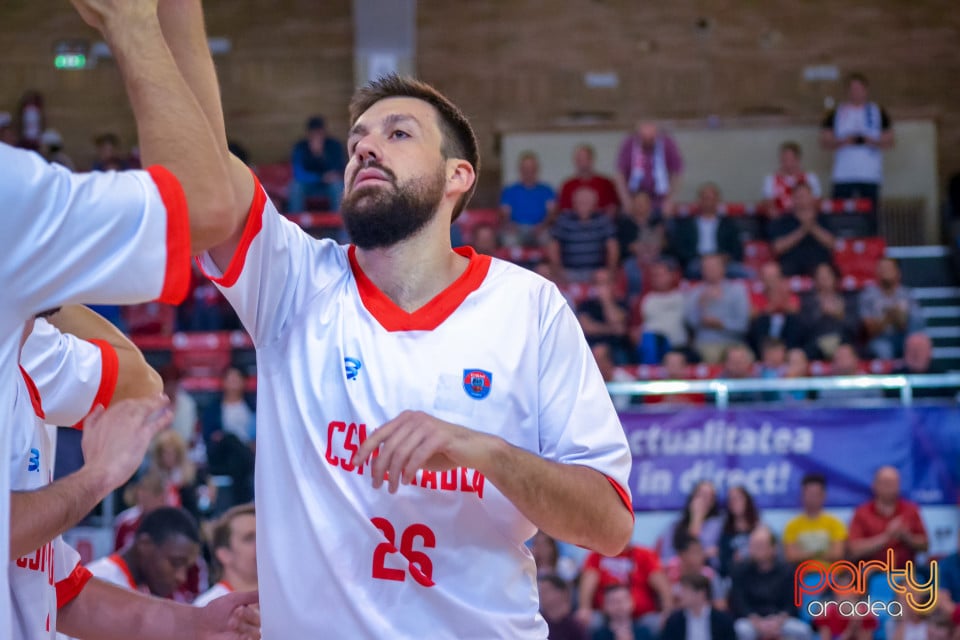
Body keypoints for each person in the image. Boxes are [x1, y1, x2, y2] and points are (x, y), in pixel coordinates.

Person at [180, 8, 631, 629]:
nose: (365, 146)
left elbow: (607, 524)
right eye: (356, 141)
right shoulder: (292, 282)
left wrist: (484, 451)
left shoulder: (529, 307)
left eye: (398, 134)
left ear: (457, 176)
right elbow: (198, 163)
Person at [0, 0, 253, 631]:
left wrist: (193, 625)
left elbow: (139, 385)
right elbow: (204, 205)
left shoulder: (34, 351)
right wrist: (97, 479)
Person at [10, 314, 171, 640]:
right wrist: (97, 476)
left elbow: (59, 590)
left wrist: (197, 625)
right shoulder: (29, 343)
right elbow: (141, 389)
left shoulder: (27, 343)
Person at [820, 73, 894, 223]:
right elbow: (824, 141)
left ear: (866, 90)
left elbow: (890, 140)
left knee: (870, 217)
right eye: (852, 89)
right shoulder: (835, 113)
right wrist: (844, 141)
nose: (856, 92)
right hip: (843, 174)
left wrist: (871, 141)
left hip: (870, 174)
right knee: (839, 216)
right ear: (847, 91)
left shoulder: (878, 112)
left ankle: (870, 245)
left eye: (859, 89)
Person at [85, 507, 201, 599]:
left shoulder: (139, 588)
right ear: (145, 545)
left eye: (187, 568)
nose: (181, 577)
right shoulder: (101, 583)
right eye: (175, 563)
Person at [729, 526, 812, 640]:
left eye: (761, 545)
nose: (755, 549)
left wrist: (777, 621)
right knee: (741, 630)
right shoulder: (740, 571)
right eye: (753, 545)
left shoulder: (787, 571)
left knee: (803, 631)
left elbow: (792, 604)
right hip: (751, 620)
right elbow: (739, 603)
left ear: (773, 548)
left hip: (780, 620)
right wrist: (758, 623)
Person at [575, 544, 672, 633]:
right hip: (607, 616)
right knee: (589, 622)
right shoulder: (596, 556)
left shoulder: (644, 554)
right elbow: (588, 582)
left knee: (661, 623)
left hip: (641, 618)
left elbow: (662, 585)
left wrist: (668, 610)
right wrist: (584, 608)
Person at [848, 466, 928, 566]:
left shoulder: (911, 510)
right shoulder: (862, 512)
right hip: (872, 571)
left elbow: (925, 545)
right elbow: (853, 550)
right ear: (874, 485)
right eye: (885, 482)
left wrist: (907, 537)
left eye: (893, 483)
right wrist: (886, 537)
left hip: (906, 572)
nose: (890, 487)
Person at [668, 183, 745, 279]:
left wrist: (723, 258)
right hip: (697, 262)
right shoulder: (686, 225)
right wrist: (703, 259)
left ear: (718, 200)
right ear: (699, 200)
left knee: (746, 273)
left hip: (723, 264)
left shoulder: (729, 225)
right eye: (705, 198)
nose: (708, 202)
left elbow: (737, 250)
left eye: (712, 199)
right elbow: (680, 250)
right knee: (692, 269)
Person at [685, 254, 751, 364]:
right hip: (705, 344)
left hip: (733, 343)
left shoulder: (737, 290)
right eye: (706, 268)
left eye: (713, 267)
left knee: (741, 359)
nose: (710, 271)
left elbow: (743, 324)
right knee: (708, 355)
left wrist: (721, 324)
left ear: (723, 268)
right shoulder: (695, 292)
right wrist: (700, 306)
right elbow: (690, 323)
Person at [550, 186, 620, 281]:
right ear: (574, 203)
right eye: (580, 202)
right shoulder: (564, 220)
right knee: (545, 273)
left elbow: (612, 247)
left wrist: (610, 270)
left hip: (596, 272)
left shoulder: (603, 220)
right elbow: (553, 246)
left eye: (587, 202)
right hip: (568, 271)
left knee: (603, 276)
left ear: (594, 203)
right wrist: (558, 269)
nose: (583, 205)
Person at [859, 258, 924, 360]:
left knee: (917, 338)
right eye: (882, 268)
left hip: (904, 337)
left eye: (888, 268)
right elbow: (870, 330)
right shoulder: (868, 296)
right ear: (877, 272)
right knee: (883, 349)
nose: (885, 271)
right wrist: (889, 317)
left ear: (898, 272)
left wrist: (898, 317)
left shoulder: (907, 294)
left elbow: (914, 326)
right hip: (881, 339)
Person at [194, 504, 257, 607]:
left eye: (261, 536)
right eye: (249, 538)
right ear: (224, 554)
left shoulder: (280, 599)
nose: (260, 544)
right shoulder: (207, 606)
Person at [768, 183, 836, 278]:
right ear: (793, 199)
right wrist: (803, 229)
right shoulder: (782, 220)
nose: (802, 200)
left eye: (805, 196)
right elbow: (777, 248)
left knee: (824, 271)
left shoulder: (823, 218)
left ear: (812, 198)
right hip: (789, 265)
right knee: (771, 270)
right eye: (798, 197)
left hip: (818, 263)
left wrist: (812, 226)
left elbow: (832, 244)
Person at [615, 121, 684, 213]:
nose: (647, 142)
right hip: (635, 198)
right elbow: (620, 174)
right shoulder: (629, 143)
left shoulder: (667, 143)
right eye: (644, 138)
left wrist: (669, 200)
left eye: (651, 139)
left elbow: (677, 173)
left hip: (659, 199)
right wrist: (626, 200)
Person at [631, 259, 687, 365]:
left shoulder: (683, 297)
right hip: (653, 346)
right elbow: (634, 330)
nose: (657, 279)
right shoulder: (644, 299)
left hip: (678, 347)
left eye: (661, 275)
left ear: (672, 275)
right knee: (649, 340)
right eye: (654, 275)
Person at [800, 263, 860, 360]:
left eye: (827, 276)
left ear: (835, 278)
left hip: (842, 341)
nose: (824, 280)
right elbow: (803, 329)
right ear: (815, 281)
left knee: (848, 353)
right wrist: (820, 312)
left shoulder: (847, 300)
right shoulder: (808, 302)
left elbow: (855, 328)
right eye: (820, 277)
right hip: (815, 343)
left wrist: (840, 314)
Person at [783, 473, 847, 564]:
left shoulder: (835, 523)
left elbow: (837, 554)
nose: (812, 498)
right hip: (802, 574)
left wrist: (805, 554)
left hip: (830, 574)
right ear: (802, 496)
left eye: (816, 494)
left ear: (824, 496)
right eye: (809, 494)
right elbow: (791, 556)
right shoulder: (792, 525)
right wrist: (821, 553)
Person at [287, 115, 346, 213]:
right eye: (313, 134)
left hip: (329, 186)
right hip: (308, 185)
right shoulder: (300, 147)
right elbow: (298, 174)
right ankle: (295, 224)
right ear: (308, 134)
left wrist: (321, 155)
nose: (317, 137)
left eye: (319, 133)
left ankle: (339, 225)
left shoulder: (334, 145)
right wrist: (320, 177)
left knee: (338, 186)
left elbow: (338, 169)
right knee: (295, 187)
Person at [500, 151, 557, 246]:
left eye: (531, 168)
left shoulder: (547, 190)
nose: (528, 171)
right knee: (509, 240)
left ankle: (551, 262)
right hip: (517, 229)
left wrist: (542, 226)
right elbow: (504, 214)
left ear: (537, 169)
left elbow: (552, 213)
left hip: (540, 228)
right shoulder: (510, 190)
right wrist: (511, 226)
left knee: (550, 241)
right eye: (525, 168)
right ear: (520, 170)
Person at [659, 481, 724, 562]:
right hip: (677, 570)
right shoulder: (675, 526)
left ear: (713, 503)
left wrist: (697, 518)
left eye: (709, 497)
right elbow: (666, 556)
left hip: (706, 571)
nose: (704, 500)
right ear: (692, 498)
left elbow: (702, 550)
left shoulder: (716, 524)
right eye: (701, 495)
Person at [661, 574, 736, 640]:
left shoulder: (723, 621)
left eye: (685, 590)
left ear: (701, 594)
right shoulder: (674, 621)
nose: (681, 595)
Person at [578, 269, 631, 361]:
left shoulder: (621, 303)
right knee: (596, 351)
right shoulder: (585, 305)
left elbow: (619, 327)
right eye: (598, 283)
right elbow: (587, 328)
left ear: (613, 285)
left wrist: (606, 301)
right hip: (591, 346)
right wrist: (611, 329)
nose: (602, 287)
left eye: (605, 283)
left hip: (616, 347)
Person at [558, 143, 620, 214]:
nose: (582, 162)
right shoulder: (567, 185)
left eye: (585, 158)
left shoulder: (606, 183)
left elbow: (612, 209)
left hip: (601, 223)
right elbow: (564, 211)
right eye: (579, 159)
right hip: (573, 224)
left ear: (592, 159)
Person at [201, 367, 256, 447]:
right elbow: (209, 434)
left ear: (244, 382)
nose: (233, 382)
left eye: (237, 379)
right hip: (225, 451)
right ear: (223, 382)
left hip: (248, 450)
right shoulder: (213, 409)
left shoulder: (253, 407)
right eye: (230, 379)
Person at [762, 141, 822, 213]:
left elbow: (816, 204)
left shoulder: (810, 178)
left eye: (791, 159)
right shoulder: (771, 179)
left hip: (804, 219)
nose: (788, 163)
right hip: (781, 220)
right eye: (784, 159)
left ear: (798, 159)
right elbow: (769, 206)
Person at [718, 486, 762, 577]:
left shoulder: (760, 528)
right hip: (733, 577)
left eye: (738, 498)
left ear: (747, 501)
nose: (734, 502)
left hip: (757, 577)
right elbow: (723, 565)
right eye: (731, 500)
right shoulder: (724, 532)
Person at [539, 574, 588, 640]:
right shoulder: (538, 623)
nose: (542, 595)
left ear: (562, 592)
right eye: (540, 592)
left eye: (546, 591)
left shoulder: (576, 626)